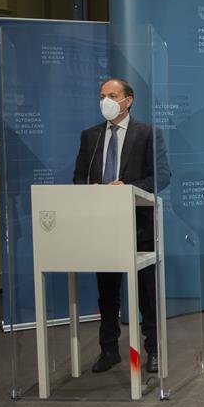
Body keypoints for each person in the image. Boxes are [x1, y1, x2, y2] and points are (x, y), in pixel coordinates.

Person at [73, 78, 171, 374]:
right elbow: (78, 177)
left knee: (146, 294)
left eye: (112, 95)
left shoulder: (147, 134)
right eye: (102, 95)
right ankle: (108, 350)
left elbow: (162, 177)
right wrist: (95, 190)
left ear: (128, 100)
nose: (106, 100)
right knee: (107, 292)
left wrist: (125, 188)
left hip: (138, 224)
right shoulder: (90, 136)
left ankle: (153, 350)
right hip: (102, 225)